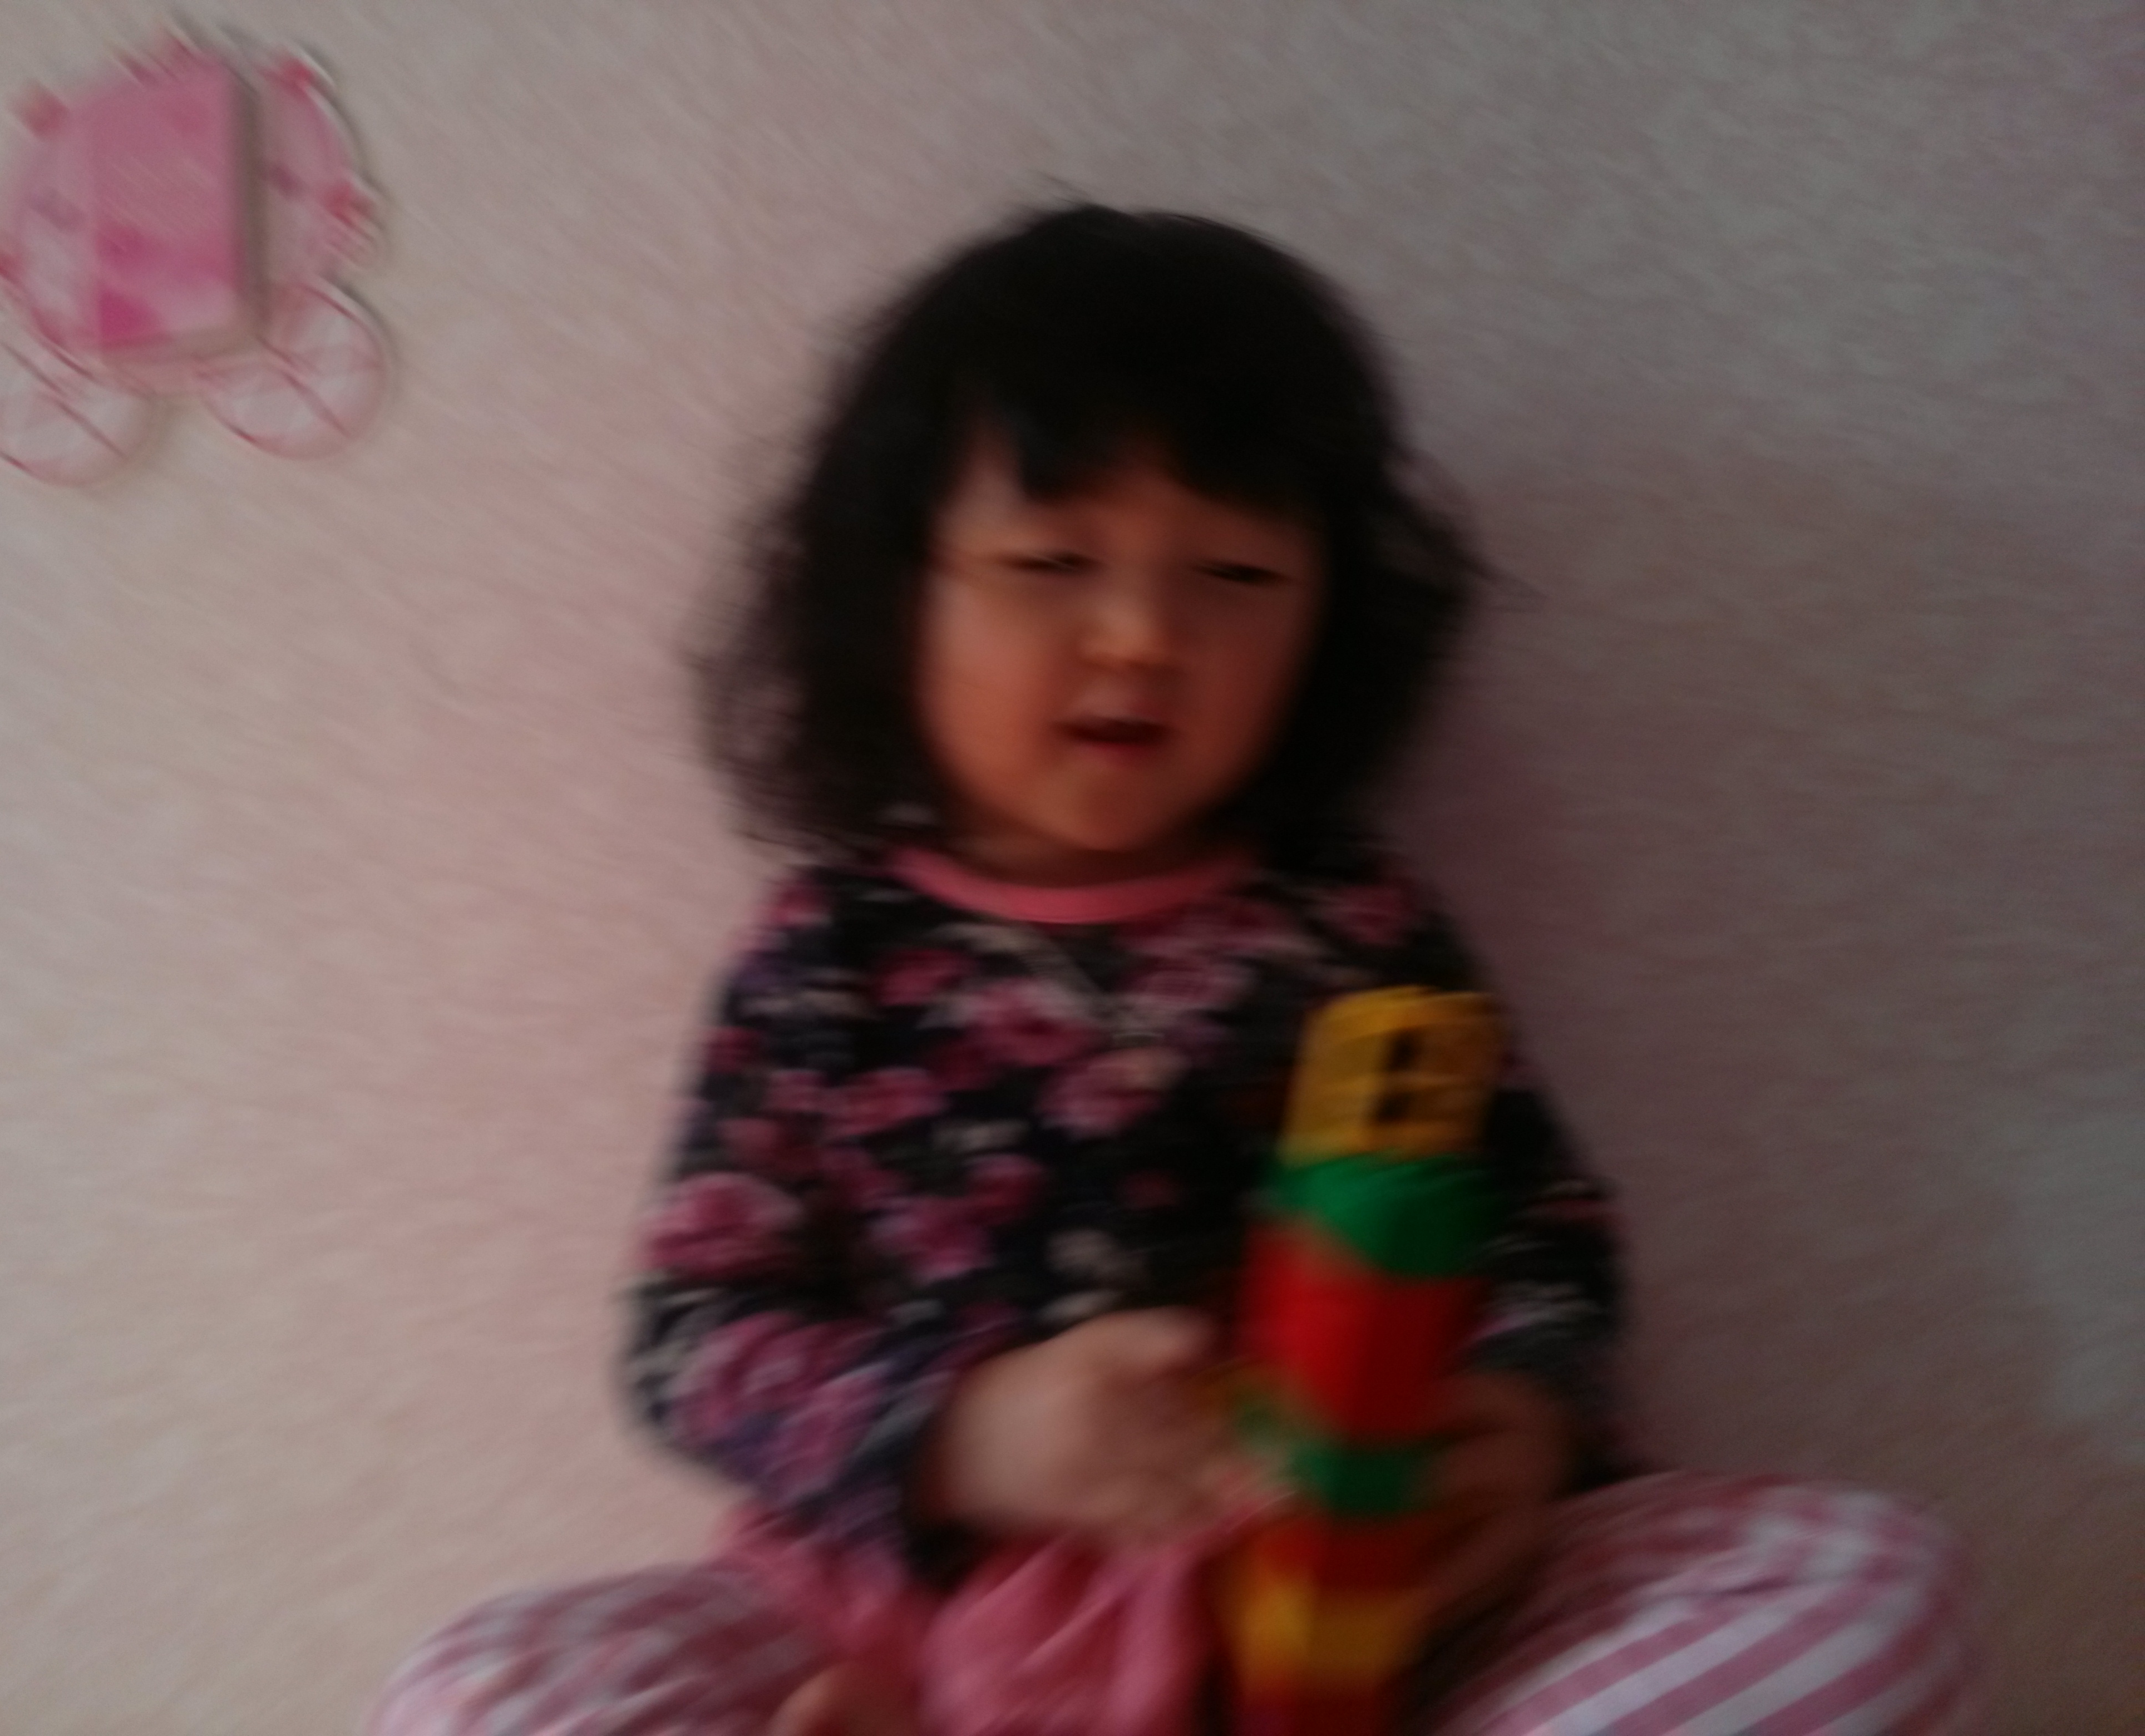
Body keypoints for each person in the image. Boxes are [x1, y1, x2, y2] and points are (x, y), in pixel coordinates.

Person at [369, 206, 1975, 1735]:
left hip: (1337, 1611)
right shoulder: (828, 954)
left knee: (1867, 1585)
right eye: (1051, 562)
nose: (1142, 633)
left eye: (1236, 577)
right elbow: (694, 1335)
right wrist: (970, 1435)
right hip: (906, 1612)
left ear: (1331, 624)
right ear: (893, 599)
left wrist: (1522, 1411)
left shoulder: (1353, 924)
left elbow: (1538, 1227)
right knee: (484, 1693)